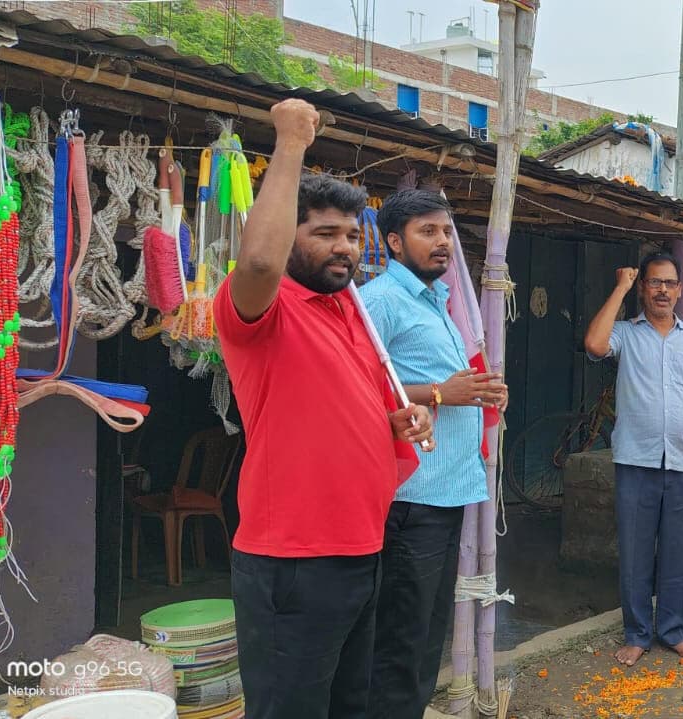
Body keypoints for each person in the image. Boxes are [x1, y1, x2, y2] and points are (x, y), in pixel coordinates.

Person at [216, 99, 433, 719]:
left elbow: (356, 402)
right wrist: (290, 144)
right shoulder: (261, 309)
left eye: (350, 235)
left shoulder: (351, 309)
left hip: (361, 549)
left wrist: (400, 419)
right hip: (292, 561)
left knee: (348, 707)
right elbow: (258, 258)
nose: (345, 248)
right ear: (291, 237)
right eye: (324, 234)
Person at [358, 189, 508, 718]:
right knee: (401, 638)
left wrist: (479, 392)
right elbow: (359, 384)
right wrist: (444, 394)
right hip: (409, 497)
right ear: (394, 242)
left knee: (423, 636)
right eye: (428, 232)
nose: (443, 242)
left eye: (446, 231)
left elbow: (434, 382)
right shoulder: (379, 301)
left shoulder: (437, 301)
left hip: (445, 491)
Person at [583, 252, 683, 667]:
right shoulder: (625, 332)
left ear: (680, 290)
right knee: (636, 552)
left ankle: (673, 631)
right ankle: (637, 633)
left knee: (677, 553)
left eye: (669, 283)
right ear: (643, 287)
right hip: (636, 461)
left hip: (682, 463)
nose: (662, 290)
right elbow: (594, 344)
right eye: (654, 282)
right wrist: (620, 287)